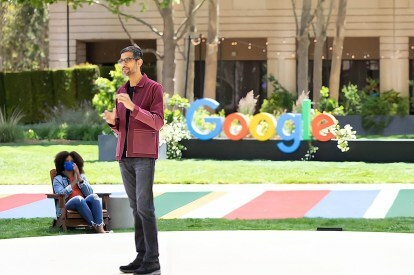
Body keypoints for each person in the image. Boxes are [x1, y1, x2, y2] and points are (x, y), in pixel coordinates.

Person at [103, 45, 164, 275]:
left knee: (145, 208)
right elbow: (122, 129)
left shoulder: (154, 89)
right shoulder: (121, 90)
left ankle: (153, 260)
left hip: (144, 157)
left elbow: (157, 122)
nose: (124, 64)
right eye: (121, 61)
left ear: (139, 62)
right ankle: (141, 256)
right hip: (125, 157)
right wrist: (112, 122)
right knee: (136, 208)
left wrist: (133, 107)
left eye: (128, 60)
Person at [52, 151, 106, 233]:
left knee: (94, 196)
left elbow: (89, 193)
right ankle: (95, 226)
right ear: (62, 163)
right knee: (78, 199)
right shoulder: (58, 179)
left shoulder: (81, 176)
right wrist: (73, 183)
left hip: (84, 205)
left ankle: (100, 227)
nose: (69, 163)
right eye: (66, 161)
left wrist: (79, 179)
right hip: (66, 206)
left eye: (72, 161)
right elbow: (60, 195)